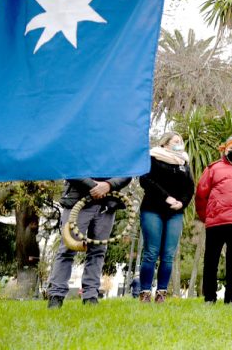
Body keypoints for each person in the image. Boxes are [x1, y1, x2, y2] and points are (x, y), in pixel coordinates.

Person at [47, 175, 132, 308]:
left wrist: (108, 185)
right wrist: (95, 187)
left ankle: (91, 296)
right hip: (77, 200)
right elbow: (70, 167)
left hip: (107, 204)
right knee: (67, 249)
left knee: (98, 251)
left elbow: (127, 171)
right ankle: (56, 295)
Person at [195, 136, 232, 304]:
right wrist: (206, 216)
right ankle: (209, 297)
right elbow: (201, 194)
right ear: (224, 150)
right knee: (211, 260)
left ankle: (230, 299)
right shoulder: (213, 168)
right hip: (216, 222)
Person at [137, 132, 194, 303]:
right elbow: (145, 180)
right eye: (176, 141)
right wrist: (166, 197)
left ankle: (161, 293)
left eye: (181, 142)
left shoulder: (184, 163)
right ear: (165, 144)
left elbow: (190, 188)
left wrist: (181, 203)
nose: (179, 144)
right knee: (151, 252)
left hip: (175, 213)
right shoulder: (153, 158)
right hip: (153, 209)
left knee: (169, 254)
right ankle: (145, 292)